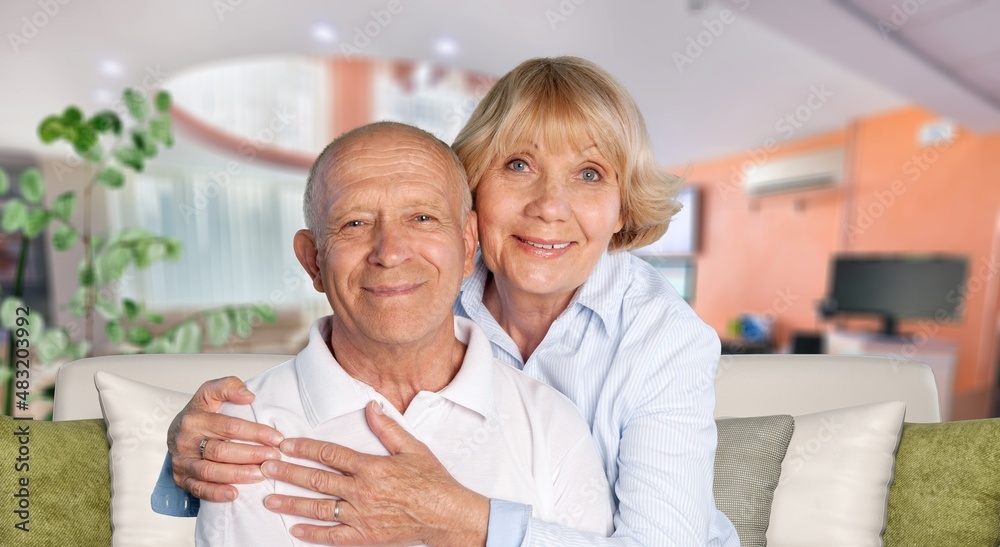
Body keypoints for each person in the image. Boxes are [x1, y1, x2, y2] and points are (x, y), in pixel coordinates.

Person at [160, 57, 740, 546]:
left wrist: (457, 518)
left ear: (623, 204)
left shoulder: (663, 338)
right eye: (518, 165)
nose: (550, 206)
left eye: (590, 174)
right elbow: (319, 375)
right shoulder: (424, 281)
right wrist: (193, 449)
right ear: (474, 189)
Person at [195, 121, 614, 545]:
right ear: (313, 261)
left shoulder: (551, 423)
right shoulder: (244, 432)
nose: (390, 252)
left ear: (468, 245)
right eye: (355, 223)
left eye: (422, 217)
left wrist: (458, 521)